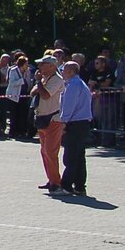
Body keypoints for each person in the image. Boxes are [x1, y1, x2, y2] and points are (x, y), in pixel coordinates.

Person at [32, 54, 66, 193]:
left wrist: (39, 83)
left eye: (43, 64)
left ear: (52, 66)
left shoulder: (57, 80)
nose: (39, 67)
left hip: (53, 119)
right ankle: (51, 179)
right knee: (44, 152)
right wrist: (39, 83)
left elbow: (45, 95)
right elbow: (33, 92)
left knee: (50, 151)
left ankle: (56, 183)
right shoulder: (45, 78)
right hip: (42, 117)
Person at [59, 60, 93, 196]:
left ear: (71, 71)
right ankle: (79, 185)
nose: (62, 72)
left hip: (75, 123)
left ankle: (66, 185)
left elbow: (69, 105)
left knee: (71, 156)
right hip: (83, 123)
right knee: (79, 156)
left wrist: (63, 122)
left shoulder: (73, 85)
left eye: (64, 70)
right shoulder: (81, 83)